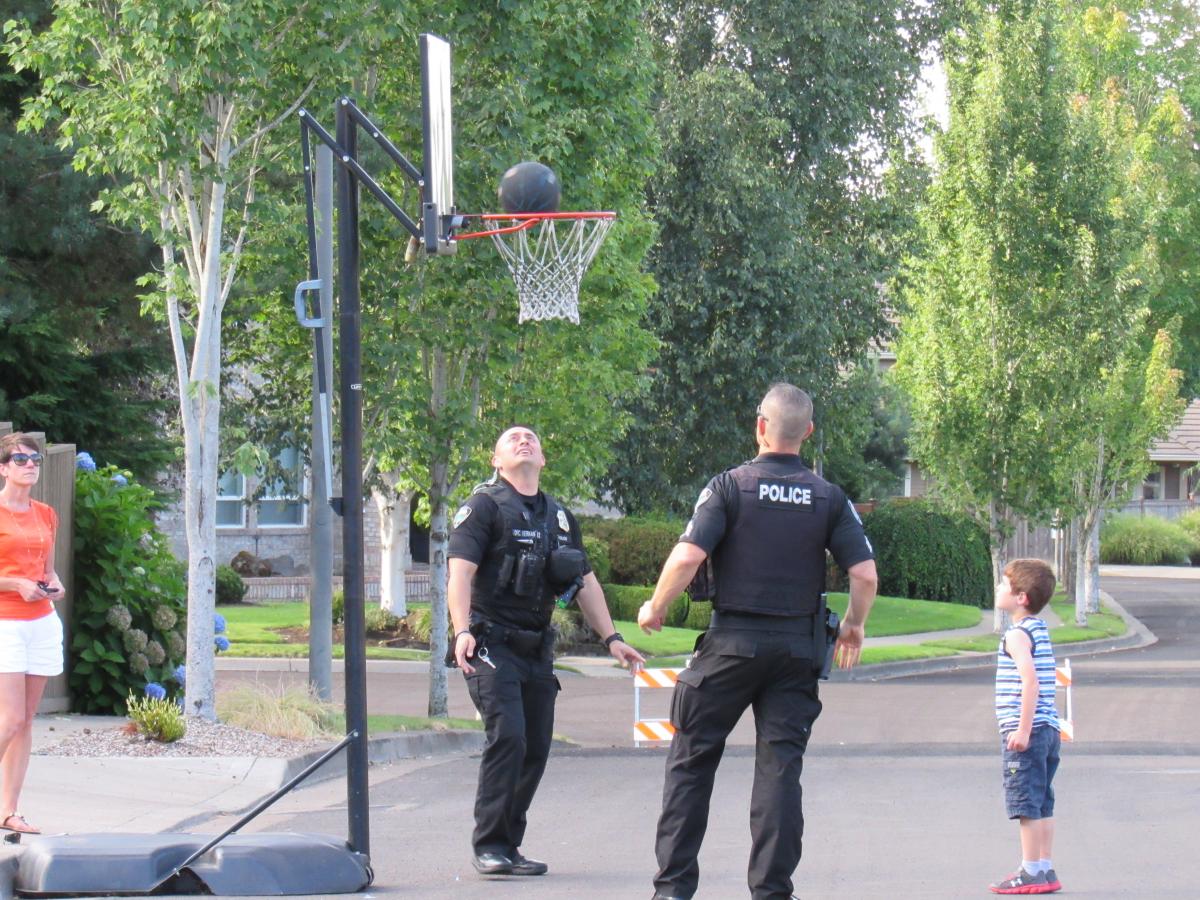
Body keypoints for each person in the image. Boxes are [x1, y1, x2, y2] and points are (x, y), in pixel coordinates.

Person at [637, 383, 878, 900]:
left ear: (760, 426)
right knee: (780, 772)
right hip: (795, 651)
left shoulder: (729, 486)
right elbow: (865, 574)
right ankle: (772, 892)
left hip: (730, 645)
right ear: (808, 433)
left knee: (691, 762)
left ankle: (674, 890)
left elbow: (686, 558)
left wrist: (655, 608)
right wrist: (855, 625)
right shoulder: (829, 498)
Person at [448, 425, 645, 877]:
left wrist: (612, 638)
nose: (524, 441)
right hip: (489, 641)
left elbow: (586, 583)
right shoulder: (482, 508)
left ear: (543, 459)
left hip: (537, 648)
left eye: (532, 438)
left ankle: (509, 845)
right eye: (513, 438)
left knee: (535, 746)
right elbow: (459, 574)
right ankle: (490, 844)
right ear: (496, 460)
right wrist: (462, 631)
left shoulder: (558, 517)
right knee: (510, 736)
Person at [0, 433, 65, 835]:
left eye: (34, 459)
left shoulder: (46, 514)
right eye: (19, 458)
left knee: (25, 722)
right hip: (5, 623)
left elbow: (49, 570)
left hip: (42, 622)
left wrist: (54, 586)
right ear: (3, 468)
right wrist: (12, 585)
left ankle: (8, 810)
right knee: (8, 720)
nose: (29, 465)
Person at [988, 559, 1063, 895]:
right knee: (1043, 801)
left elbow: (1029, 683)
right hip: (1047, 729)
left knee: (1026, 803)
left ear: (1021, 598)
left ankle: (1030, 871)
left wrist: (1021, 729)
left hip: (1028, 732)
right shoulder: (1039, 629)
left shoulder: (1017, 635)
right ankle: (1045, 868)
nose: (999, 589)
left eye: (1005, 585)